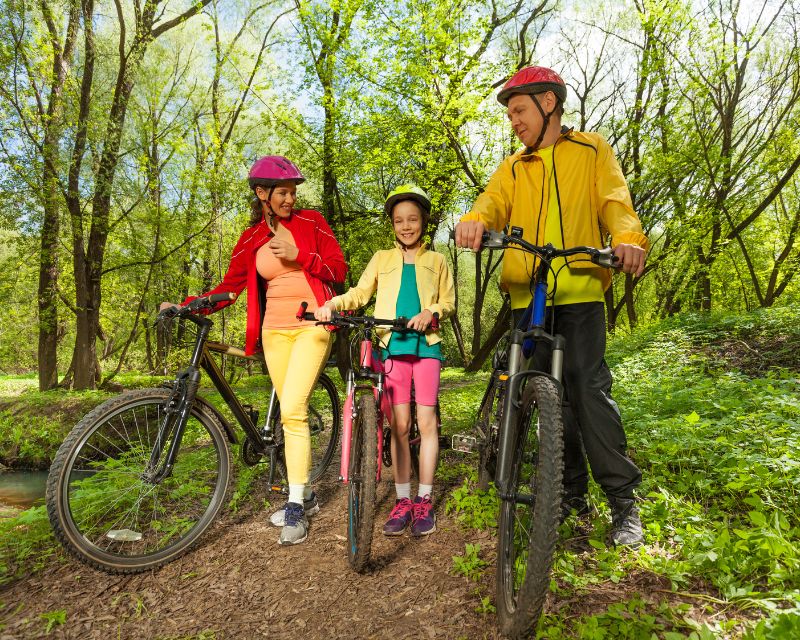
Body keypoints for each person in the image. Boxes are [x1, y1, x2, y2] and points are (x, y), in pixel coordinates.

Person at [455, 66, 648, 547]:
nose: (513, 121)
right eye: (510, 114)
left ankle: (623, 503)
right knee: (546, 398)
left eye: (518, 110)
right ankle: (569, 497)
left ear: (547, 103)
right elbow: (490, 202)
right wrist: (474, 221)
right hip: (529, 297)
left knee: (586, 390)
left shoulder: (591, 149)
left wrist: (626, 240)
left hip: (580, 290)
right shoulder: (515, 167)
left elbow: (614, 201)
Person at [163, 155, 347, 545]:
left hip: (313, 324)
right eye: (282, 193)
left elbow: (338, 269)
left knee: (294, 411)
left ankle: (295, 506)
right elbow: (230, 288)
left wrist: (299, 256)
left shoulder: (312, 222)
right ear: (262, 194)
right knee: (287, 414)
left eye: (293, 193)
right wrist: (188, 304)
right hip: (273, 333)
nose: (290, 199)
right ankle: (307, 495)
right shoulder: (250, 239)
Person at [315, 185, 455, 536]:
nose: (406, 226)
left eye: (412, 219)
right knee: (401, 426)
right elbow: (361, 293)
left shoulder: (437, 261)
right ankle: (403, 498)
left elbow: (450, 303)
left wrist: (431, 311)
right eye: (399, 221)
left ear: (423, 221)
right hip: (392, 347)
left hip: (427, 348)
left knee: (427, 424)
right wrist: (332, 304)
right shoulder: (382, 258)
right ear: (392, 225)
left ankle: (425, 499)